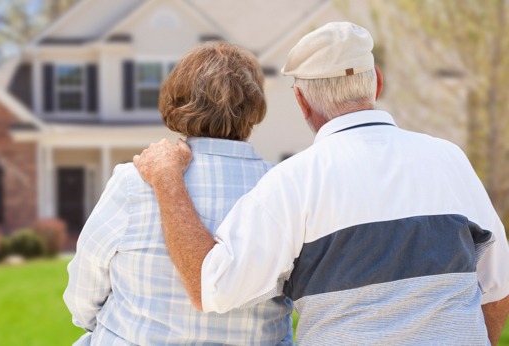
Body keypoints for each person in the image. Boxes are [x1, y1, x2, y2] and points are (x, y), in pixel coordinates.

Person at [133, 22, 509, 345]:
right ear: (376, 83)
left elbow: (210, 287)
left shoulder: (293, 182)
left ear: (301, 101)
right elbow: (497, 286)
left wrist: (168, 180)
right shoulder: (449, 159)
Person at [64, 42, 294, 345]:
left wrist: (101, 326)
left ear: (176, 102)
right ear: (254, 108)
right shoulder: (285, 187)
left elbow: (86, 285)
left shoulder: (134, 181)